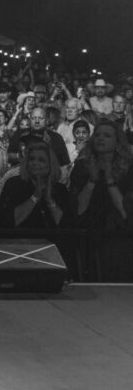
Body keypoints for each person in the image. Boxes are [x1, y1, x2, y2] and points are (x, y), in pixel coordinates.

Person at [68, 120, 133, 281]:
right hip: (88, 234)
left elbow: (125, 211)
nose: (100, 139)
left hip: (118, 237)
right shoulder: (82, 166)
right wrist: (92, 180)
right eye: (97, 135)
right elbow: (78, 209)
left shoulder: (129, 169)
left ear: (117, 141)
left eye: (107, 135)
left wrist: (109, 178)